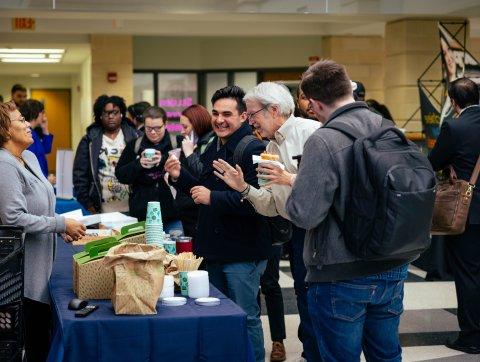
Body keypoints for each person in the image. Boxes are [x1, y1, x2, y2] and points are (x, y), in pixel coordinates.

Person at [285, 60, 413, 361]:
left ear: (314, 104)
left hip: (341, 270)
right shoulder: (389, 128)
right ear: (349, 88)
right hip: (393, 261)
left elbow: (304, 214)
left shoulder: (324, 140)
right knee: (387, 355)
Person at [213, 82, 321, 361]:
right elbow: (272, 205)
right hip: (299, 233)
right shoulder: (270, 146)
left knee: (321, 304)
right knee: (304, 299)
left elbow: (333, 185)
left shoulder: (311, 133)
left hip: (323, 232)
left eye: (252, 114)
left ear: (274, 110)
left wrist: (290, 179)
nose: (249, 121)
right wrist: (243, 189)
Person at [164, 86, 271, 362]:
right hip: (215, 250)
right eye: (215, 113)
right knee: (222, 318)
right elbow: (203, 191)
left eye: (227, 114)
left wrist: (214, 198)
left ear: (244, 116)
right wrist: (179, 176)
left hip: (242, 253)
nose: (219, 119)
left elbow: (260, 203)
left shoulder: (253, 148)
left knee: (246, 318)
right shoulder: (216, 144)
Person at [0, 101, 85, 362]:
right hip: (20, 277)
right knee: (32, 346)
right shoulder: (4, 165)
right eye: (21, 121)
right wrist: (60, 224)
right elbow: (12, 218)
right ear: (4, 131)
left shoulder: (29, 157)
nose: (28, 124)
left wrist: (59, 227)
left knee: (41, 341)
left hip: (41, 269)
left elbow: (42, 207)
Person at [428, 77, 480, 354]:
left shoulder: (455, 126)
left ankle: (472, 337)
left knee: (469, 274)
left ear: (453, 101)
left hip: (470, 213)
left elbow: (433, 162)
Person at [116, 106, 179, 226]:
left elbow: (189, 174)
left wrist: (164, 160)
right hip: (141, 215)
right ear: (143, 126)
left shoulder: (176, 143)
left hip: (172, 214)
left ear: (165, 124)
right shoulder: (134, 145)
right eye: (149, 128)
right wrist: (138, 164)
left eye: (157, 128)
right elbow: (120, 175)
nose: (153, 132)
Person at [73, 95, 137, 214]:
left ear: (121, 114)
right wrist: (87, 204)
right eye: (106, 113)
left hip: (132, 207)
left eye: (115, 112)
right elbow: (79, 175)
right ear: (100, 115)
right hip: (101, 209)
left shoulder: (134, 137)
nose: (111, 116)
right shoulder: (89, 140)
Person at [175, 104, 214, 237]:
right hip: (187, 210)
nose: (182, 131)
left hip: (199, 211)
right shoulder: (194, 142)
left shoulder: (210, 143)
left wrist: (190, 154)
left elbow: (204, 175)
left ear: (197, 124)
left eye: (185, 127)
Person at [19, 99, 54, 179]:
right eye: (42, 113)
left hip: (41, 179)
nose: (44, 116)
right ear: (37, 113)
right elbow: (30, 163)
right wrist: (46, 179)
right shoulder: (27, 133)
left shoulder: (34, 132)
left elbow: (46, 149)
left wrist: (45, 128)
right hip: (36, 180)